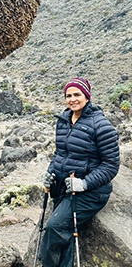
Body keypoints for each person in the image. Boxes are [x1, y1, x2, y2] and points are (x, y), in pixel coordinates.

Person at [39, 77, 120, 267]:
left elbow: (110, 166)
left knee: (54, 227)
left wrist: (84, 183)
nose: (72, 99)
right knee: (64, 237)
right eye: (68, 95)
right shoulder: (64, 121)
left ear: (87, 96)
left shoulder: (101, 126)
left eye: (77, 94)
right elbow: (60, 154)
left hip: (91, 192)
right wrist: (50, 173)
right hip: (64, 188)